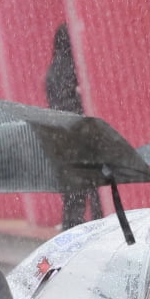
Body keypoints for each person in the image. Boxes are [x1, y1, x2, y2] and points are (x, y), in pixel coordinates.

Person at [45, 22, 102, 230]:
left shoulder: (52, 70)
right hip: (80, 136)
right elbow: (72, 102)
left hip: (62, 139)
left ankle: (72, 231)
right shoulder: (71, 66)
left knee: (73, 195)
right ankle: (99, 226)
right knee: (95, 186)